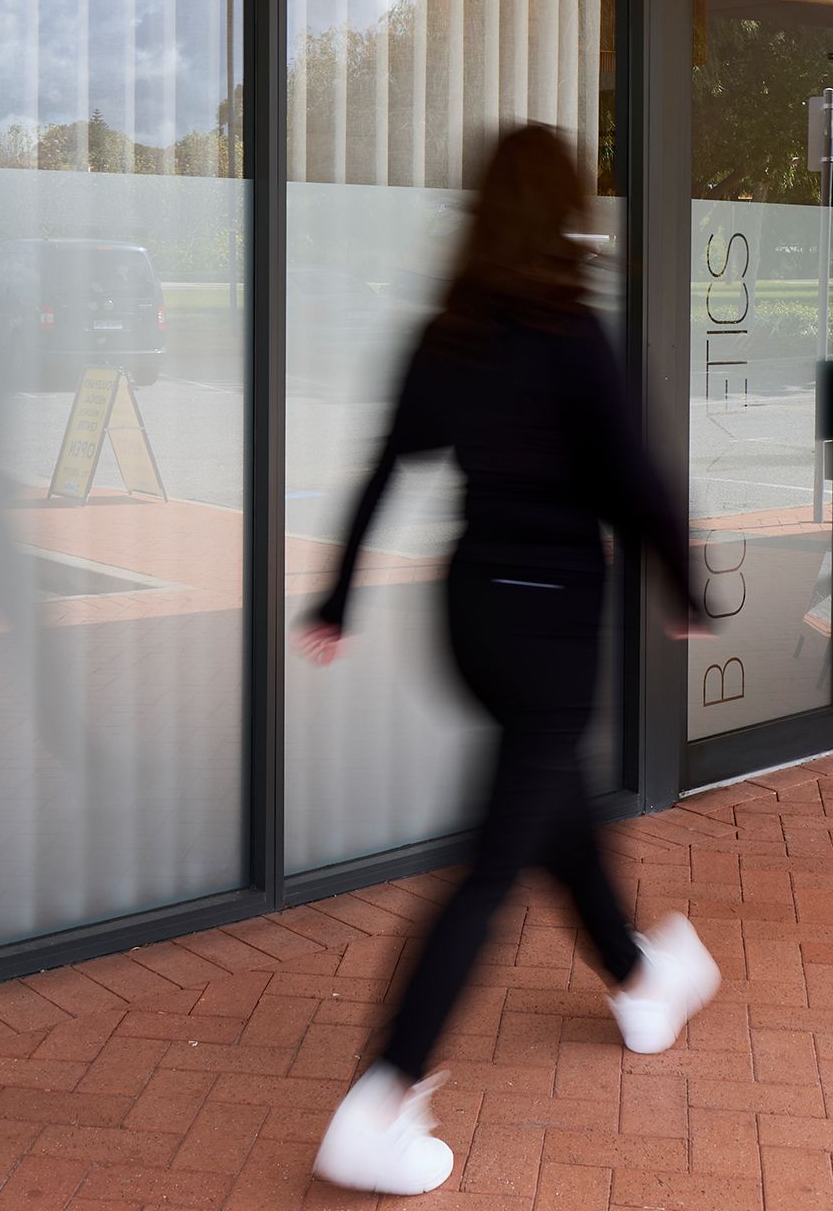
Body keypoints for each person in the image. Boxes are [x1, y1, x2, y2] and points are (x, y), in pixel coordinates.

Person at [299, 124, 721, 1197]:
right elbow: (636, 477)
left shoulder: (451, 330)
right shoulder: (574, 332)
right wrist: (683, 585)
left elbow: (384, 466)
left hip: (470, 618)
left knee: (549, 800)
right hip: (551, 625)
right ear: (568, 211)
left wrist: (338, 597)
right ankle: (383, 1096)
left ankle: (637, 977)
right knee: (491, 864)